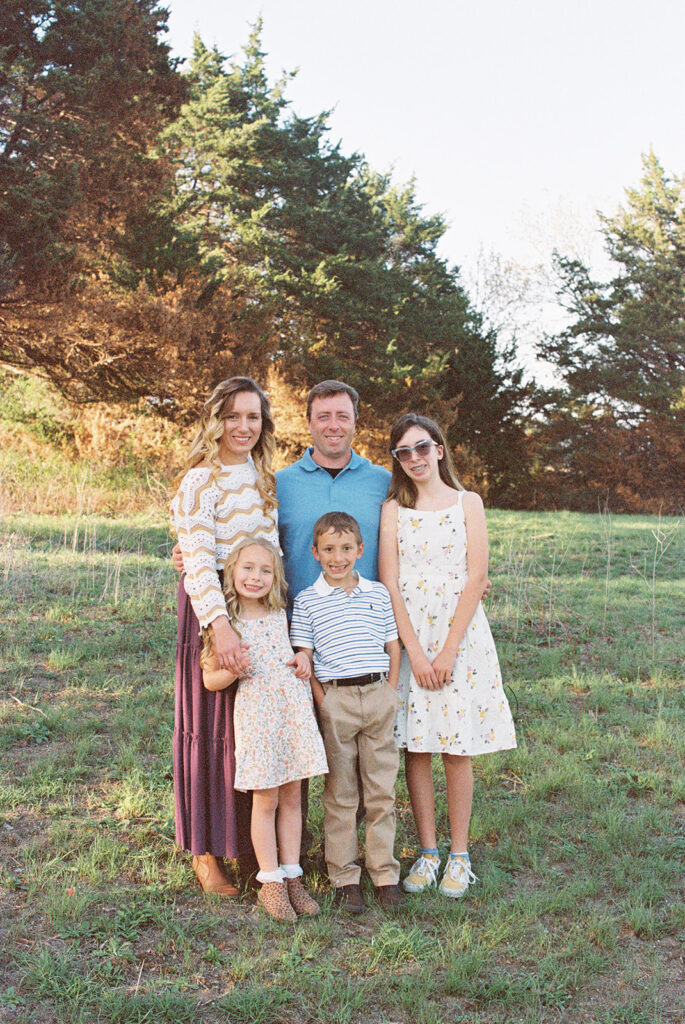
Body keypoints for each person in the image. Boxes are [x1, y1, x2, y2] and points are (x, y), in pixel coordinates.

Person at [378, 413, 516, 898]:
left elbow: (477, 577)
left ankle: (460, 854)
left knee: (455, 747)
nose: (414, 458)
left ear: (438, 448)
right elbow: (390, 581)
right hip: (412, 635)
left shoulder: (468, 503)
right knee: (417, 746)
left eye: (422, 447)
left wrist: (448, 651)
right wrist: (415, 654)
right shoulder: (394, 508)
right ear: (397, 460)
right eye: (404, 452)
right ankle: (428, 850)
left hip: (460, 638)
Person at [170, 377, 279, 896]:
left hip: (258, 610)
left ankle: (251, 846)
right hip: (210, 611)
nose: (243, 427)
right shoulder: (199, 480)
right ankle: (204, 852)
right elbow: (196, 559)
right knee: (210, 728)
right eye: (233, 416)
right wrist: (220, 626)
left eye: (253, 417)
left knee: (251, 731)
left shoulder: (263, 478)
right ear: (217, 419)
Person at [200, 538, 327, 922]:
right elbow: (210, 680)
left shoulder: (280, 613)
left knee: (292, 798)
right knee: (266, 799)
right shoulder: (226, 624)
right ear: (232, 573)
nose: (256, 577)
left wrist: (304, 660)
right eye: (248, 568)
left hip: (292, 714)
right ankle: (269, 881)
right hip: (259, 719)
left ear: (276, 578)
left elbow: (300, 651)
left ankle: (292, 876)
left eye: (265, 570)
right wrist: (230, 671)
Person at [290, 512, 405, 914]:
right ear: (315, 553)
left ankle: (385, 874)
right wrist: (323, 701)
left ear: (360, 549)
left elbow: (393, 645)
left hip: (377, 696)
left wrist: (390, 690)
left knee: (381, 791)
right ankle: (344, 877)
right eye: (328, 550)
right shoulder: (307, 601)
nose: (338, 558)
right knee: (340, 793)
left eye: (345, 549)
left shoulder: (377, 594)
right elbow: (304, 654)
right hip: (336, 699)